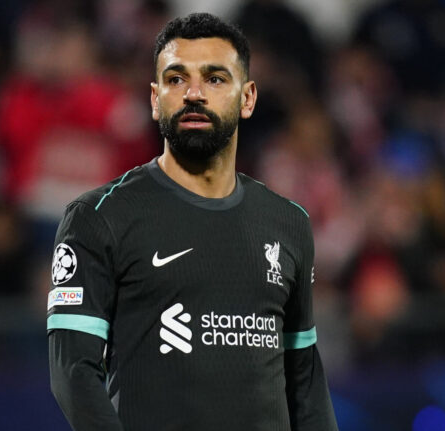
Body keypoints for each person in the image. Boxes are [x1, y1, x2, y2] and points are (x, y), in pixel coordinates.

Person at [47, 13, 338, 431]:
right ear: (154, 98)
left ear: (248, 97)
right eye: (176, 79)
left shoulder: (288, 223)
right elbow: (73, 375)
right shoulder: (99, 217)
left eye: (216, 78)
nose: (194, 93)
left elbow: (305, 382)